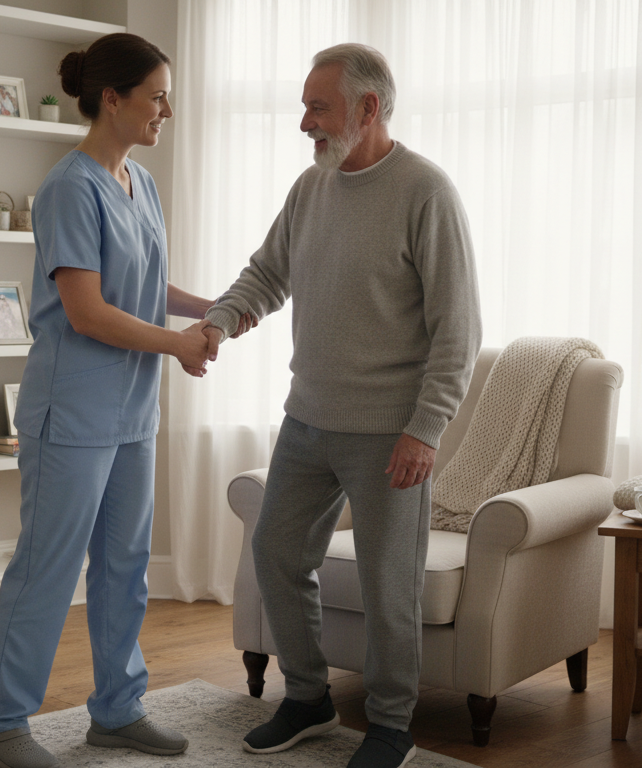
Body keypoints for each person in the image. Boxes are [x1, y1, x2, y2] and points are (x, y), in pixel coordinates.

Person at [0, 32, 252, 768]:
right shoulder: (69, 186)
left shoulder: (141, 183)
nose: (168, 110)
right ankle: (1, 725)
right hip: (72, 411)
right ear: (113, 98)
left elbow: (144, 290)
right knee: (47, 567)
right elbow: (89, 310)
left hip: (132, 411)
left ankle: (118, 710)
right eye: (157, 95)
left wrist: (211, 306)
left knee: (125, 565)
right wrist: (180, 345)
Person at [202, 44, 482, 768]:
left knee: (392, 584)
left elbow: (459, 328)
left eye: (317, 107)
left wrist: (426, 430)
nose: (304, 122)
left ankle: (391, 725)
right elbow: (268, 272)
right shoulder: (310, 187)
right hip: (307, 420)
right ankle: (307, 697)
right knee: (275, 551)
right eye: (305, 106)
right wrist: (220, 322)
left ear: (368, 108)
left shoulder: (427, 191)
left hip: (391, 431)